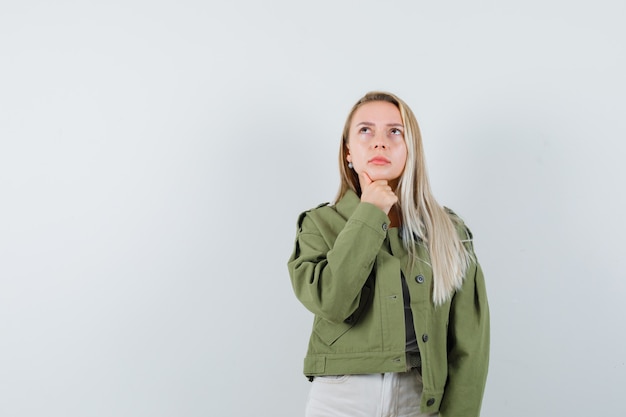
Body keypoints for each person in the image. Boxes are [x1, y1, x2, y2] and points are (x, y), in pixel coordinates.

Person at [287, 91, 490, 417]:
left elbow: (469, 345)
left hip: (418, 398)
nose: (380, 142)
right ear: (348, 151)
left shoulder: (449, 231)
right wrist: (370, 213)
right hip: (340, 398)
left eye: (395, 131)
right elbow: (331, 302)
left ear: (411, 150)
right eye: (365, 130)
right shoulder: (319, 224)